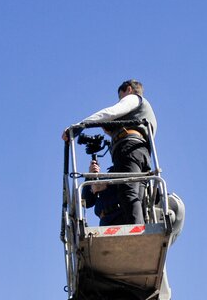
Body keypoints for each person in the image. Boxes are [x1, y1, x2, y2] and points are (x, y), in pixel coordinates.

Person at [66, 79, 157, 225]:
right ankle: (138, 230)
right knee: (135, 196)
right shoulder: (145, 116)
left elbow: (111, 112)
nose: (121, 101)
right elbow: (87, 201)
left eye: (121, 98)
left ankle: (137, 232)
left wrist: (81, 125)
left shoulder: (134, 98)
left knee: (128, 192)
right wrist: (92, 178)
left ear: (128, 90)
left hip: (129, 148)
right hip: (142, 152)